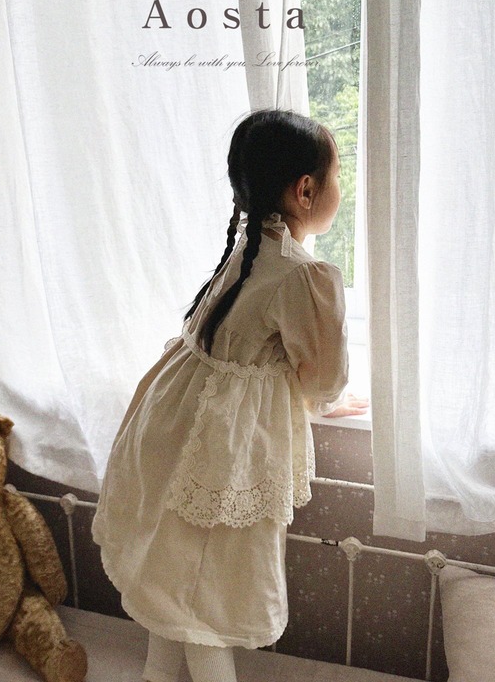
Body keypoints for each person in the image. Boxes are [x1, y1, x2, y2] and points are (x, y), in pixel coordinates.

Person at [92, 109, 368, 682]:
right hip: (221, 453)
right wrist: (320, 400)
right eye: (338, 176)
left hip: (172, 423)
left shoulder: (249, 248)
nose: (341, 189)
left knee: (175, 582)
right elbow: (324, 377)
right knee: (206, 606)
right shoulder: (300, 273)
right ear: (306, 190)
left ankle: (155, 676)